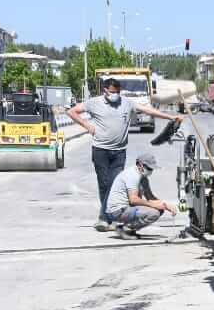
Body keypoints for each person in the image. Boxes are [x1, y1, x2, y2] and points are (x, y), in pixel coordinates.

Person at [67, 79, 183, 231]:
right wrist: (87, 125)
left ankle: (106, 218)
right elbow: (71, 111)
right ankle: (108, 216)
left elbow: (148, 110)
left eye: (118, 92)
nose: (116, 95)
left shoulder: (126, 103)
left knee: (113, 183)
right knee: (104, 184)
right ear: (105, 91)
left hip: (119, 151)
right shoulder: (94, 103)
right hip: (100, 150)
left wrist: (169, 117)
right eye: (113, 92)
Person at [104, 152, 177, 238]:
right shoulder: (133, 175)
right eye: (149, 168)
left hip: (127, 209)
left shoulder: (143, 178)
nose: (151, 171)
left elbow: (150, 197)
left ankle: (129, 229)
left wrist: (165, 205)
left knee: (159, 210)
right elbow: (133, 199)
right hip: (117, 211)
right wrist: (154, 205)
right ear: (140, 165)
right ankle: (125, 229)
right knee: (154, 213)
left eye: (152, 169)